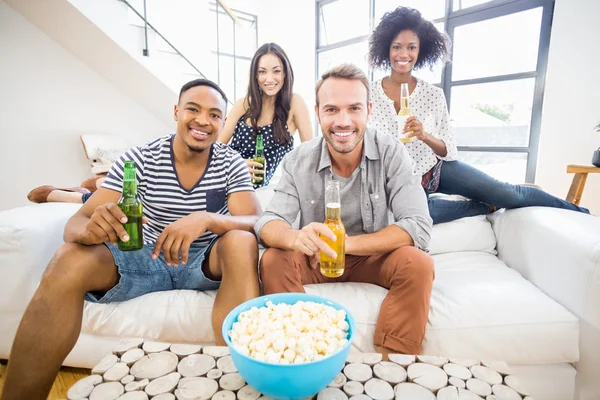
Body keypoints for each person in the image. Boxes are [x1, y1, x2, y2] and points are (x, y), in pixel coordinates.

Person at [1, 79, 262, 400]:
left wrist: (206, 218)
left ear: (222, 122)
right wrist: (91, 231)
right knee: (69, 257)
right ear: (177, 111)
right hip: (142, 257)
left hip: (203, 261)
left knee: (241, 241)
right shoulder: (140, 159)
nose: (203, 121)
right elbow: (75, 225)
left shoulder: (229, 162)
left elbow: (252, 221)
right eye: (193, 109)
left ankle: (241, 389)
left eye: (214, 114)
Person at [256, 64, 435, 357]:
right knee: (275, 259)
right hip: (315, 260)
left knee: (418, 263)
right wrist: (294, 238)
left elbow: (418, 226)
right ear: (318, 113)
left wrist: (343, 244)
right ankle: (302, 353)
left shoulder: (391, 151)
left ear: (369, 110)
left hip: (371, 257)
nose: (343, 121)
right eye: (331, 110)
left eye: (353, 108)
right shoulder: (298, 159)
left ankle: (393, 365)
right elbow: (268, 223)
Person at [367, 6, 589, 224]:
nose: (404, 54)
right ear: (386, 48)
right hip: (400, 181)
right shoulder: (369, 95)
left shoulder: (432, 94)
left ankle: (581, 212)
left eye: (411, 47)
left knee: (508, 194)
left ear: (420, 50)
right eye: (397, 46)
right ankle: (484, 207)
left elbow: (449, 150)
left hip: (434, 169)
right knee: (417, 216)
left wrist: (424, 135)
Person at [218, 42, 313, 188]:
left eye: (276, 71)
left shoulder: (294, 104)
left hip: (256, 195)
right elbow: (214, 151)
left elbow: (310, 155)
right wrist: (238, 165)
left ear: (285, 73)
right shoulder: (243, 104)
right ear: (255, 75)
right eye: (262, 72)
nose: (269, 79)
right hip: (224, 184)